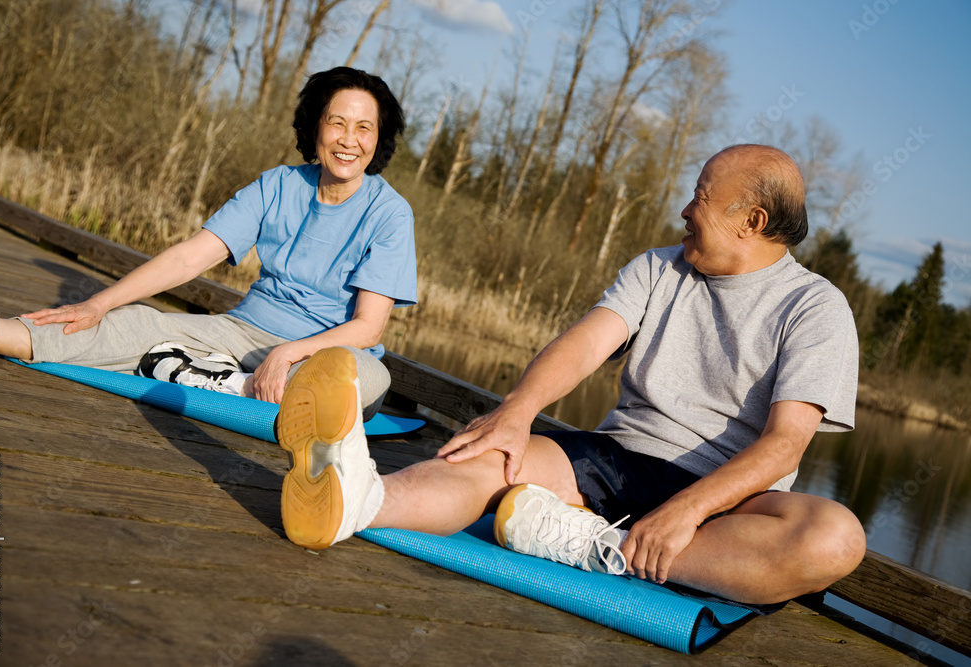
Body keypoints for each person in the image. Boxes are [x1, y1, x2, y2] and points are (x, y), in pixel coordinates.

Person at [271, 143, 866, 606]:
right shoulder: (659, 268)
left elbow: (785, 445)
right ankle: (357, 499)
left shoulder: (815, 307)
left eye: (701, 196)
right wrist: (516, 412)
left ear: (751, 219)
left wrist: (685, 511)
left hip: (726, 502)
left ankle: (596, 546)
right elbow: (584, 345)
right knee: (493, 456)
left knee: (835, 537)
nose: (685, 210)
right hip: (616, 460)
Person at [0, 66, 417, 418]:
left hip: (324, 355)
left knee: (364, 378)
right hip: (242, 333)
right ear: (315, 127)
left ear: (378, 139)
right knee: (140, 325)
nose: (349, 140)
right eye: (337, 122)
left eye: (364, 128)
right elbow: (188, 258)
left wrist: (288, 353)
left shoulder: (391, 214)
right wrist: (98, 305)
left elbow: (368, 328)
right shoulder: (277, 185)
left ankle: (222, 381)